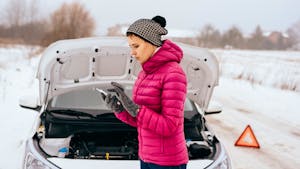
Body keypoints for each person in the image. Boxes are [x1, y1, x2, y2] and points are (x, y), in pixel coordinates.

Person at [102, 15, 188, 169]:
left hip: (167, 162)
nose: (132, 53)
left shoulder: (173, 74)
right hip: (146, 157)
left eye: (136, 46)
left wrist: (137, 109)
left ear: (151, 43)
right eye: (130, 47)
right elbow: (141, 122)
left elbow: (169, 126)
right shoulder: (144, 74)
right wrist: (120, 109)